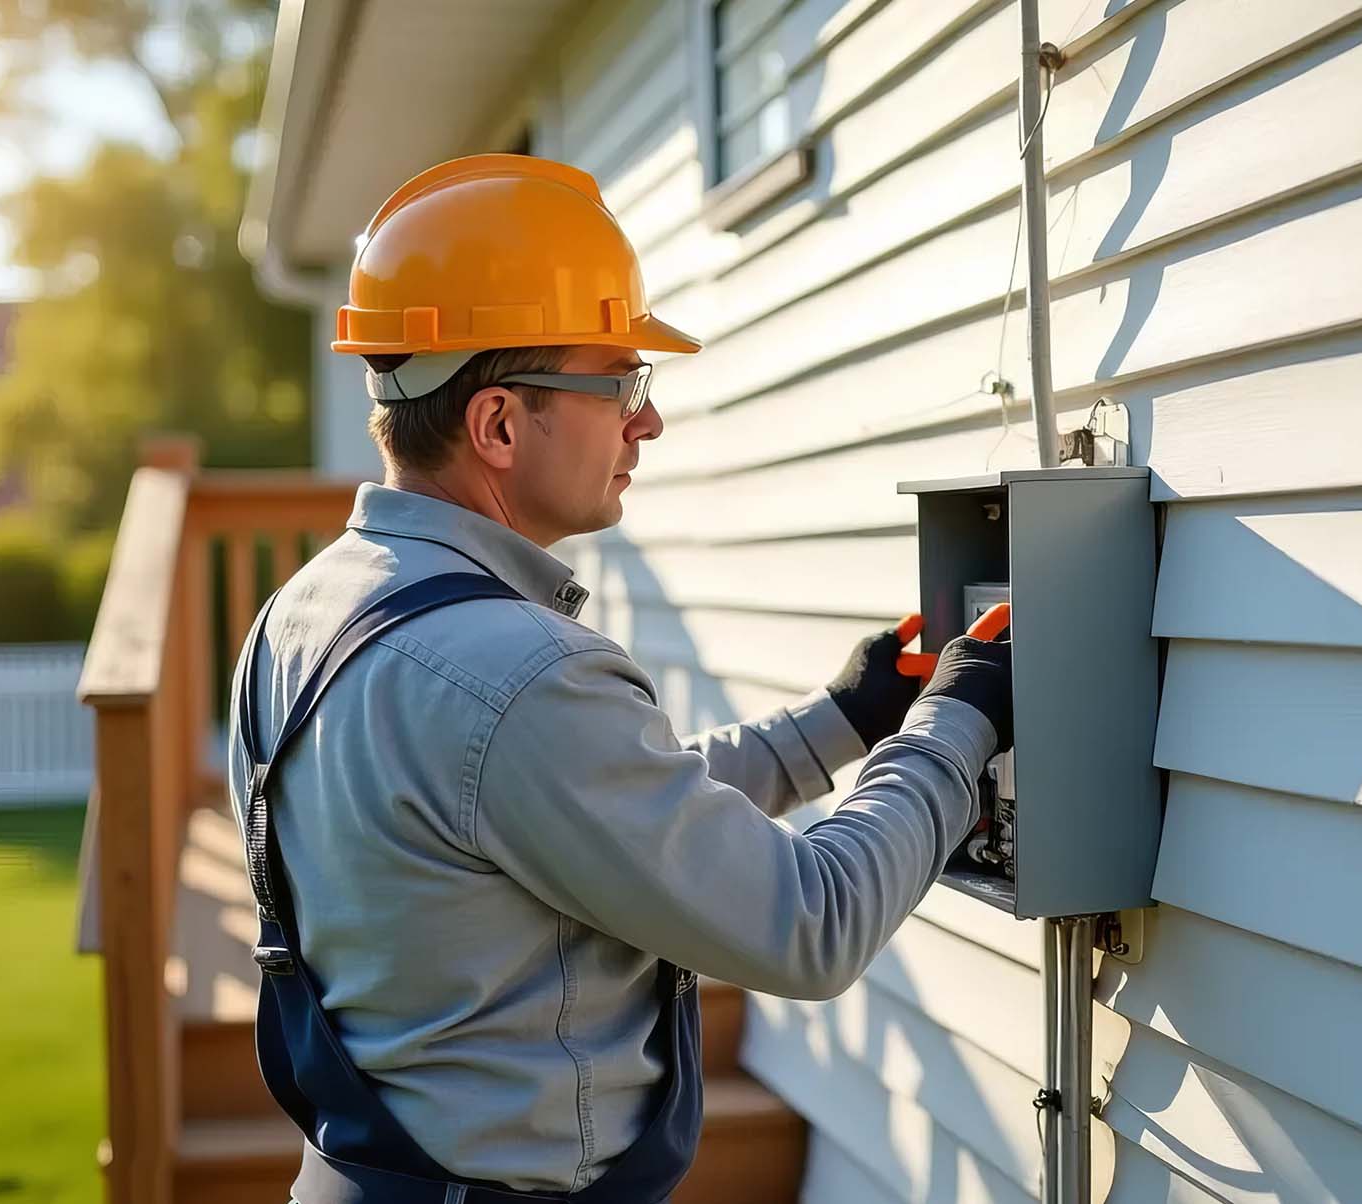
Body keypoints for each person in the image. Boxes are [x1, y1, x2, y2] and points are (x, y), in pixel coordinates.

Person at [228, 153, 1013, 1204]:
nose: (645, 420)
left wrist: (841, 721)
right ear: (498, 423)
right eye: (618, 384)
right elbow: (809, 920)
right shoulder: (518, 673)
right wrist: (958, 720)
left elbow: (585, 814)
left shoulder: (306, 612)